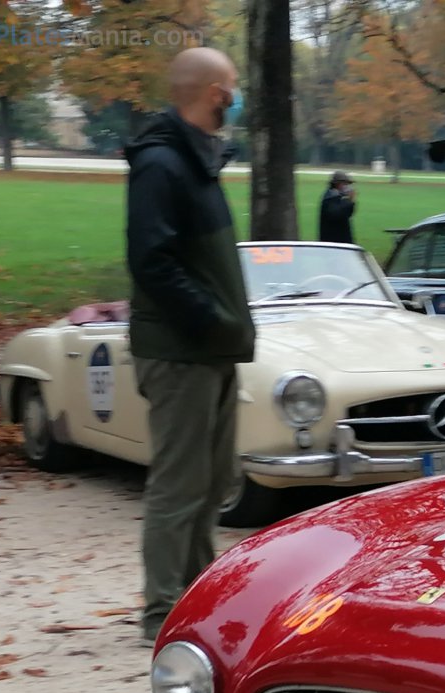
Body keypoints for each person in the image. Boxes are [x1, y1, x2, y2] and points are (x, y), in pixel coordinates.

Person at [126, 47, 256, 644]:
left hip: (212, 348)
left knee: (215, 479)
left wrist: (223, 329)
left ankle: (197, 596)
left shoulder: (199, 159)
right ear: (214, 93)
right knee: (179, 485)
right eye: (233, 85)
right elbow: (151, 259)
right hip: (181, 351)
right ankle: (162, 612)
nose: (237, 94)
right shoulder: (161, 163)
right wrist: (208, 320)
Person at [319, 170, 356, 244]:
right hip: (333, 242)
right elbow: (336, 214)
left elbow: (348, 213)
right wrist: (349, 201)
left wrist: (350, 201)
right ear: (338, 184)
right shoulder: (330, 198)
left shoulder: (338, 198)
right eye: (345, 184)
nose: (347, 187)